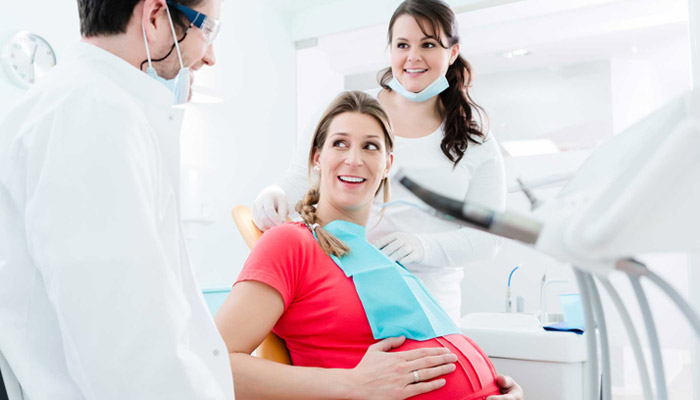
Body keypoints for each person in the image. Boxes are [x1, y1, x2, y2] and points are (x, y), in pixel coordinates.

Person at [215, 91, 523, 400]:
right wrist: (352, 385)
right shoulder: (291, 242)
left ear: (388, 164)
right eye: (340, 143)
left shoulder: (381, 259)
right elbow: (213, 363)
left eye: (370, 146)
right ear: (317, 157)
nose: (354, 159)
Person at [0, 0, 234, 398]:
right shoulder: (93, 114)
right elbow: (130, 355)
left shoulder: (79, 102)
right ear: (156, 16)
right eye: (207, 31)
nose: (209, 56)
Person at [253, 0, 506, 322]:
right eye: (403, 45)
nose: (413, 57)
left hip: (428, 307)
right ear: (390, 50)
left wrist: (421, 246)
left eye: (428, 44)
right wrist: (274, 194)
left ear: (452, 52)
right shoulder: (351, 110)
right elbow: (302, 176)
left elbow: (487, 238)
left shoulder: (475, 140)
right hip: (342, 291)